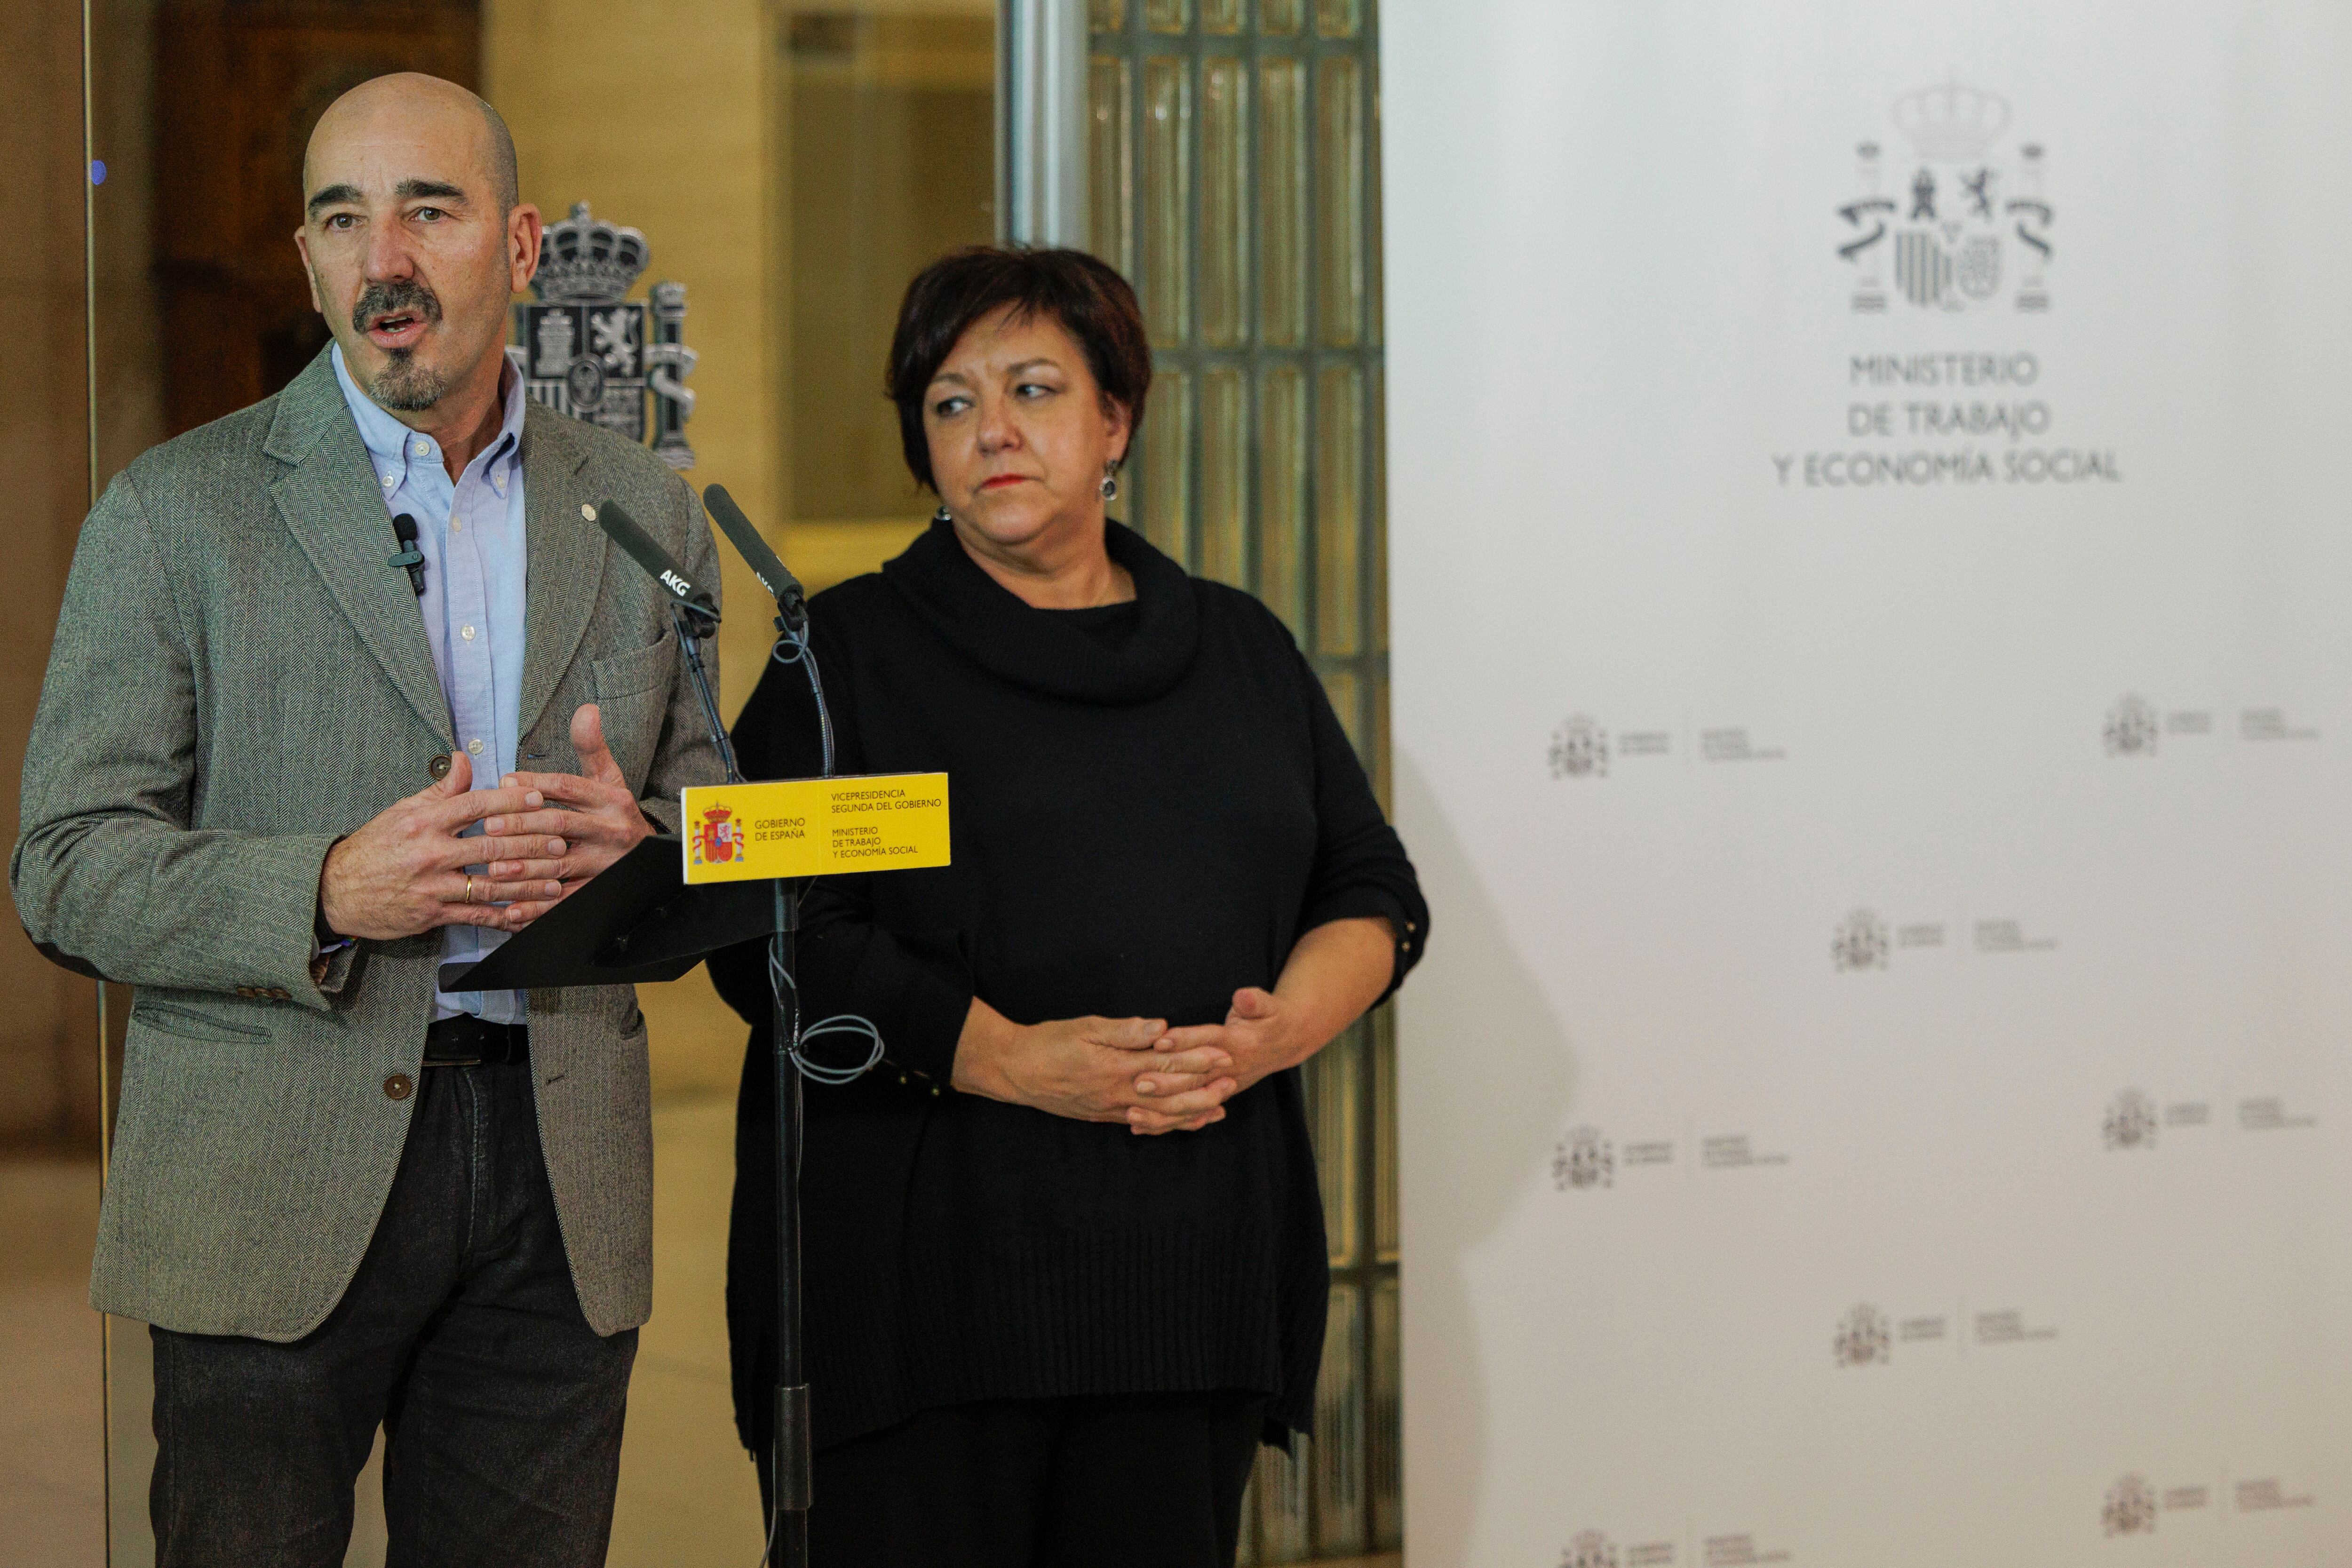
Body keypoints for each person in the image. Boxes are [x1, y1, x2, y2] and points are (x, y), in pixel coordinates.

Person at [11, 73, 724, 1565]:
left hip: (558, 1173)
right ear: (309, 258)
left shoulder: (646, 507)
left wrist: (647, 851)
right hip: (272, 1167)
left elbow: (711, 812)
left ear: (521, 247)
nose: (382, 256)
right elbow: (65, 867)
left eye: (429, 210)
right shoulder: (175, 510)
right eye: (344, 217)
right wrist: (325, 888)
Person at [712, 246, 1428, 1567]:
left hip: (1185, 1285)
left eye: (1034, 389)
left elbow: (1372, 888)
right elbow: (767, 939)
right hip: (925, 1307)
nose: (991, 431)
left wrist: (1278, 1032)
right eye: (950, 402)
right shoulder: (846, 658)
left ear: (1116, 421)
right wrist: (1010, 1061)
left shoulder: (1240, 648)